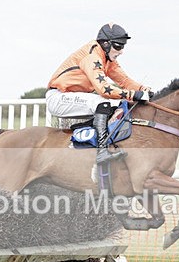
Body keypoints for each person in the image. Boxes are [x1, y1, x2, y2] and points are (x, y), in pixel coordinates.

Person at [46, 23, 151, 164]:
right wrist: (134, 94)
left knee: (118, 104)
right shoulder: (92, 56)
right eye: (118, 46)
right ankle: (102, 151)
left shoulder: (107, 58)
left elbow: (124, 80)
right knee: (103, 102)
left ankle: (89, 143)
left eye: (123, 46)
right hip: (59, 97)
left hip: (72, 97)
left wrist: (143, 89)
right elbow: (103, 89)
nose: (121, 51)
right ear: (106, 44)